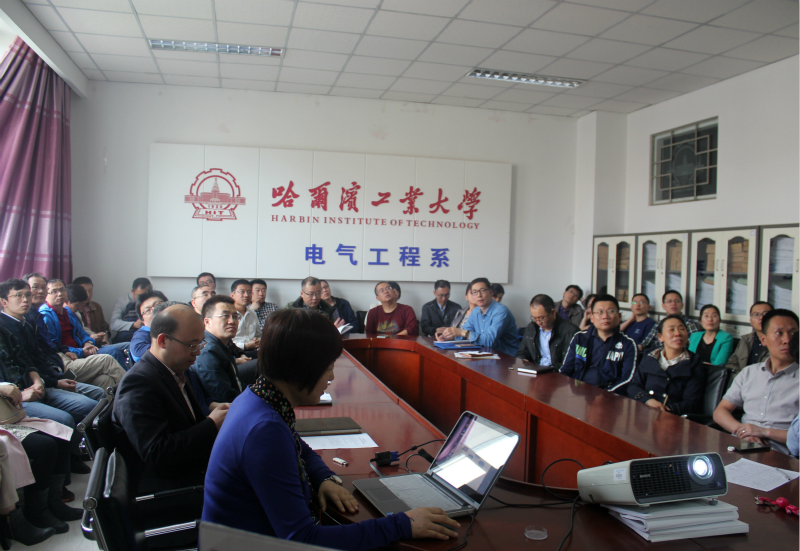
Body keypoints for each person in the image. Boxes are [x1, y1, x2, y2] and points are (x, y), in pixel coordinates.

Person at [202, 308, 460, 548]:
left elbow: (297, 446)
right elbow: (304, 540)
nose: (332, 378)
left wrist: (323, 477)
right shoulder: (264, 430)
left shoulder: (258, 397)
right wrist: (403, 524)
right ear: (302, 368)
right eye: (328, 369)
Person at [112, 304, 229, 493]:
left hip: (191, 466)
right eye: (192, 345)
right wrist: (211, 425)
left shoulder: (176, 371)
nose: (198, 352)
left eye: (201, 344)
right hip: (171, 485)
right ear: (162, 340)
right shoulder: (138, 383)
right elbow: (156, 453)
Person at [0, 279, 101, 477]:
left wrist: (43, 381)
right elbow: (9, 372)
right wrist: (27, 390)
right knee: (65, 418)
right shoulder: (6, 327)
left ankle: (90, 453)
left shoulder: (26, 322)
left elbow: (31, 360)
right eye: (18, 296)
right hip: (14, 398)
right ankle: (67, 471)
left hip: (39, 384)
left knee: (93, 401)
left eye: (27, 295)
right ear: (4, 302)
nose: (25, 300)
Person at [713, 309, 799, 455]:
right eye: (779, 333)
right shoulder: (749, 373)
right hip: (740, 444)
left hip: (780, 453)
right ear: (763, 339)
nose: (787, 340)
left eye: (793, 333)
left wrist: (764, 432)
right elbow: (721, 411)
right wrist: (743, 431)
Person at [38, 280, 128, 377]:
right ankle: (131, 383)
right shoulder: (45, 316)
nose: (59, 294)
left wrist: (87, 343)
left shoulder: (67, 312)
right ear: (46, 294)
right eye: (54, 291)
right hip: (68, 357)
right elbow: (54, 346)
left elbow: (83, 332)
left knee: (105, 379)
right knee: (110, 355)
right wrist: (81, 351)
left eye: (62, 290)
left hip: (82, 349)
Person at [627, 315, 705, 416]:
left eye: (682, 329)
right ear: (660, 337)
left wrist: (664, 410)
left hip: (672, 417)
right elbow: (633, 386)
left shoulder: (693, 362)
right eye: (671, 330)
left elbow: (691, 402)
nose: (677, 333)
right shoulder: (650, 356)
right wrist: (648, 400)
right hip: (643, 411)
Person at [560, 294, 638, 393]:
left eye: (611, 311)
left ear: (619, 316)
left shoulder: (628, 344)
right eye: (600, 312)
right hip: (577, 392)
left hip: (609, 395)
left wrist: (606, 394)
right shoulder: (580, 338)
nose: (605, 316)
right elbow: (566, 370)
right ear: (591, 317)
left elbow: (627, 379)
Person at [192, 296, 255, 403]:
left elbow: (236, 384)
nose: (232, 321)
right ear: (207, 322)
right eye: (225, 316)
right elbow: (225, 398)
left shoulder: (221, 343)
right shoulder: (208, 352)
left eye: (235, 316)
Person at [436, 278, 517, 356]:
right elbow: (466, 334)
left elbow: (489, 341)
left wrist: (462, 332)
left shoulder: (501, 312)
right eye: (475, 292)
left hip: (505, 357)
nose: (479, 295)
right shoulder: (475, 311)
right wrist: (449, 337)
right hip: (483, 353)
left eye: (482, 291)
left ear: (491, 292)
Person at [516, 294, 578, 369]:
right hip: (535, 370)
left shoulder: (570, 331)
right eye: (535, 318)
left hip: (556, 372)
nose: (538, 322)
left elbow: (570, 363)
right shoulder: (532, 327)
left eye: (542, 318)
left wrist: (549, 369)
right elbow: (522, 351)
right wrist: (524, 360)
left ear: (553, 312)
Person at [726, 301, 773, 372]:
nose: (761, 318)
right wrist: (740, 377)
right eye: (756, 315)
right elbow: (732, 363)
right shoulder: (745, 340)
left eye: (765, 314)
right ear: (751, 321)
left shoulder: (779, 342)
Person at [128, 290, 168, 363]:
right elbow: (138, 354)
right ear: (142, 320)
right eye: (148, 310)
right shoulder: (141, 335)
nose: (154, 311)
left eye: (158, 305)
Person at [110, 277, 152, 343]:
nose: (142, 299)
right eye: (139, 296)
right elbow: (114, 324)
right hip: (128, 336)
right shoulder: (122, 301)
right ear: (132, 291)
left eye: (145, 295)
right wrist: (134, 324)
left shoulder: (154, 299)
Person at [229, 280, 261, 356]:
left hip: (253, 351)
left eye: (249, 292)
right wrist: (245, 346)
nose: (246, 295)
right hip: (233, 353)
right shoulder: (227, 314)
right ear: (232, 295)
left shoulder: (252, 313)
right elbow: (224, 341)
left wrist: (257, 341)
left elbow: (259, 335)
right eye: (242, 292)